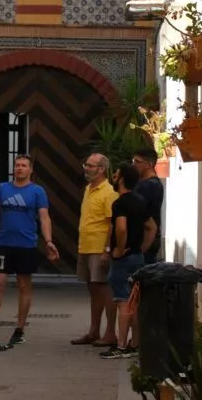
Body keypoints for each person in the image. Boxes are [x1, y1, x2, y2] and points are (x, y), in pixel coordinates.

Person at [0, 155, 59, 347]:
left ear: (31, 170)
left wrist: (48, 240)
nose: (19, 168)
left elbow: (44, 217)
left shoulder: (37, 191)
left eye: (24, 166)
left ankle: (19, 329)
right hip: (3, 244)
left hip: (26, 245)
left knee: (24, 286)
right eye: (17, 165)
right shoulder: (3, 188)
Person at [99, 163, 157, 360]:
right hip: (137, 258)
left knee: (123, 302)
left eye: (115, 173)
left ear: (121, 179)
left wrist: (119, 250)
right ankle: (135, 343)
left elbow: (121, 228)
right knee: (135, 301)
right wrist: (142, 248)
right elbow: (152, 227)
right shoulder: (140, 201)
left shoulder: (120, 203)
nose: (114, 176)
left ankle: (121, 346)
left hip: (123, 259)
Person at [70, 153, 118, 347]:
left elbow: (111, 224)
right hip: (86, 246)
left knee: (104, 289)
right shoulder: (89, 189)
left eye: (91, 166)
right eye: (86, 164)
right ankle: (93, 330)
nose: (86, 168)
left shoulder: (109, 192)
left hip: (99, 248)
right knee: (93, 289)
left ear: (101, 169)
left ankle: (110, 333)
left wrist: (107, 249)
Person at [131, 148, 164, 265]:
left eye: (137, 162)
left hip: (145, 240)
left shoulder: (149, 186)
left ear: (149, 164)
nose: (133, 165)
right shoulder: (144, 184)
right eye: (133, 161)